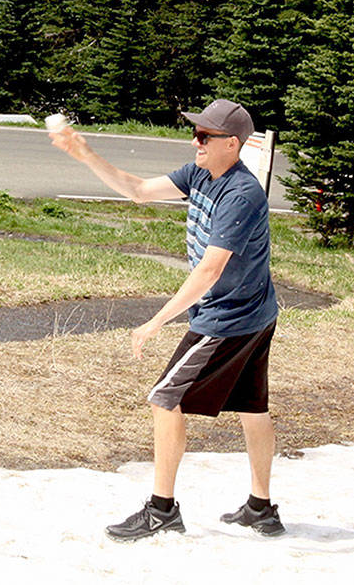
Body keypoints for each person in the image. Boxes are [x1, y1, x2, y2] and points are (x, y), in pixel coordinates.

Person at [50, 99, 284, 541]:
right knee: (253, 408)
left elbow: (210, 270)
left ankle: (161, 510)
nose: (195, 141)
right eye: (195, 133)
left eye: (204, 136)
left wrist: (156, 320)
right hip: (255, 311)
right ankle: (261, 508)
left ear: (231, 144)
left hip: (229, 318)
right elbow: (137, 189)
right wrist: (84, 153)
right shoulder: (199, 173)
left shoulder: (241, 194)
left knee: (164, 398)